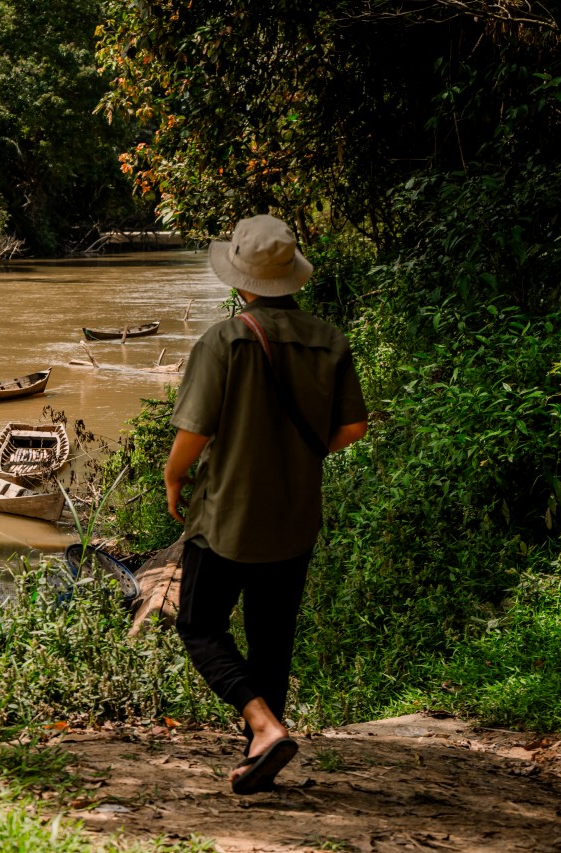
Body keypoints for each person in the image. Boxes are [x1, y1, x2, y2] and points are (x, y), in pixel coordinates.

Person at [163, 214, 368, 795]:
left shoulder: (225, 339)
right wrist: (301, 458)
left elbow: (194, 433)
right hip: (294, 514)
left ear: (238, 277)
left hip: (227, 514)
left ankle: (262, 725)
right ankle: (261, 753)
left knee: (200, 625)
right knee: (271, 638)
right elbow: (354, 426)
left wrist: (173, 478)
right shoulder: (330, 339)